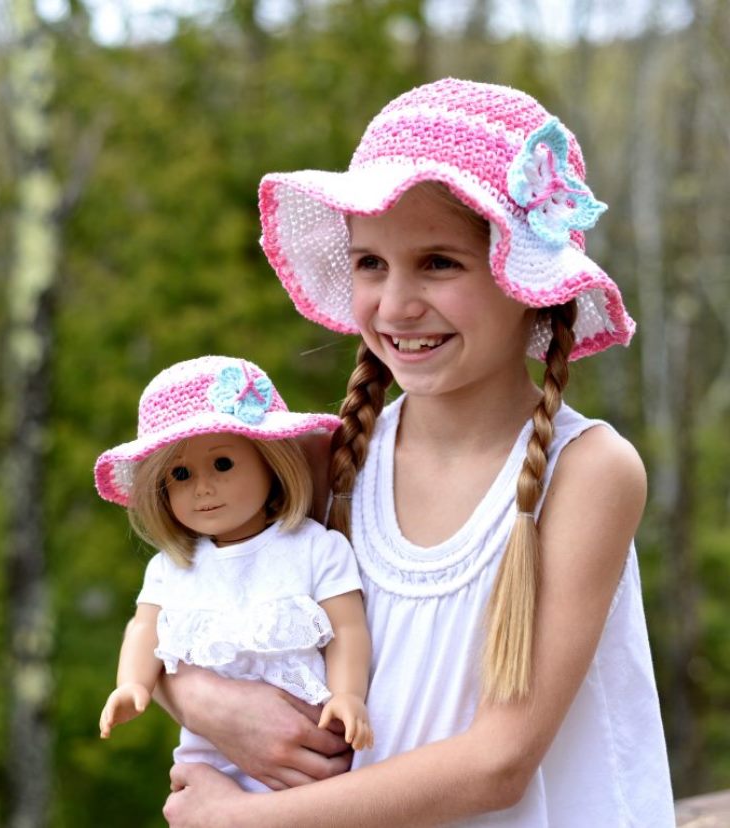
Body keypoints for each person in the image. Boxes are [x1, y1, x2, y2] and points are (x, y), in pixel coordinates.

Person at [160, 79, 675, 826]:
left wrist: (238, 820)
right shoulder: (327, 463)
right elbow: (174, 606)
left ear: (526, 284)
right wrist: (207, 700)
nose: (396, 304)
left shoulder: (589, 472)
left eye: (438, 262)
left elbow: (499, 763)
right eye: (371, 263)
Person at [94, 355, 374, 792]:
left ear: (271, 462)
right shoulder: (172, 568)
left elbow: (347, 629)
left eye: (222, 464)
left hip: (308, 756)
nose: (202, 487)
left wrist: (347, 694)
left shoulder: (314, 548)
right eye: (180, 474)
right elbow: (144, 628)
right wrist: (132, 683)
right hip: (209, 765)